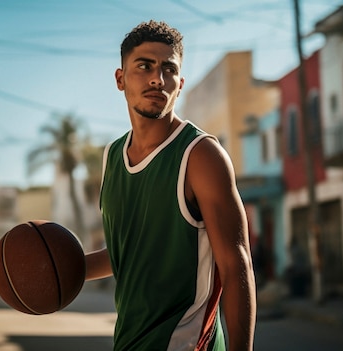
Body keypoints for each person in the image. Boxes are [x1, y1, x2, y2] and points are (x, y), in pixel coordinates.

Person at [85, 20, 256, 351]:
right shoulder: (112, 157)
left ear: (180, 84)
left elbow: (236, 266)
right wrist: (50, 270)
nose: (156, 78)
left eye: (168, 69)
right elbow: (127, 254)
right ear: (120, 79)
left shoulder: (200, 155)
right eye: (144, 66)